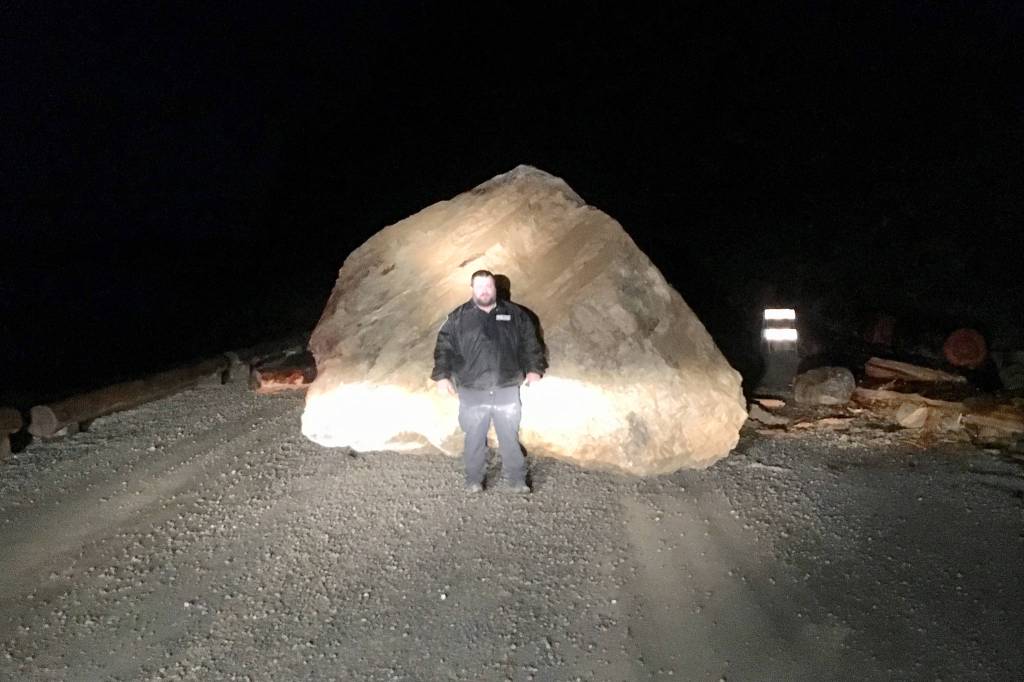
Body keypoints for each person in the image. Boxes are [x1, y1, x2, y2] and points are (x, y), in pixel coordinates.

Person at [431, 270, 547, 494]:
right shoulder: (457, 317)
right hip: (472, 390)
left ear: (496, 289)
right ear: (472, 288)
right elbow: (443, 349)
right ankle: (474, 479)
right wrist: (442, 376)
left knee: (509, 437)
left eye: (489, 286)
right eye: (480, 287)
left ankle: (517, 479)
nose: (484, 291)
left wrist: (534, 369)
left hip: (506, 387)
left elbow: (530, 343)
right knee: (474, 438)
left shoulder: (515, 315)